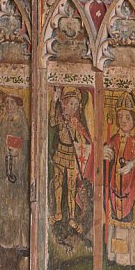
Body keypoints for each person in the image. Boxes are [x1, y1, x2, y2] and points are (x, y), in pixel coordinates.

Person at [103, 92, 135, 267]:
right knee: (116, 223)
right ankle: (114, 257)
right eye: (120, 117)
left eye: (127, 117)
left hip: (132, 187)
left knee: (131, 225)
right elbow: (109, 152)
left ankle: (130, 259)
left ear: (134, 118)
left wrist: (133, 164)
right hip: (116, 186)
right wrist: (107, 152)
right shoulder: (115, 138)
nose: (123, 121)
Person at [50, 86, 93, 236]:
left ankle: (72, 217)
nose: (73, 107)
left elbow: (83, 138)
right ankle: (57, 212)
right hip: (60, 152)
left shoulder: (75, 121)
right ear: (64, 103)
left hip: (71, 155)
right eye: (70, 103)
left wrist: (75, 129)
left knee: (71, 186)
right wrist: (53, 102)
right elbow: (51, 122)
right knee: (57, 182)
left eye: (76, 104)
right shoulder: (60, 117)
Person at [0, 94, 30, 253]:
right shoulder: (4, 122)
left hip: (19, 173)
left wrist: (18, 152)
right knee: (6, 205)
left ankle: (20, 239)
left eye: (11, 102)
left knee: (18, 205)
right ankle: (5, 238)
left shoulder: (22, 123)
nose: (8, 105)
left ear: (18, 105)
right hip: (5, 172)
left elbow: (28, 147)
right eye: (6, 102)